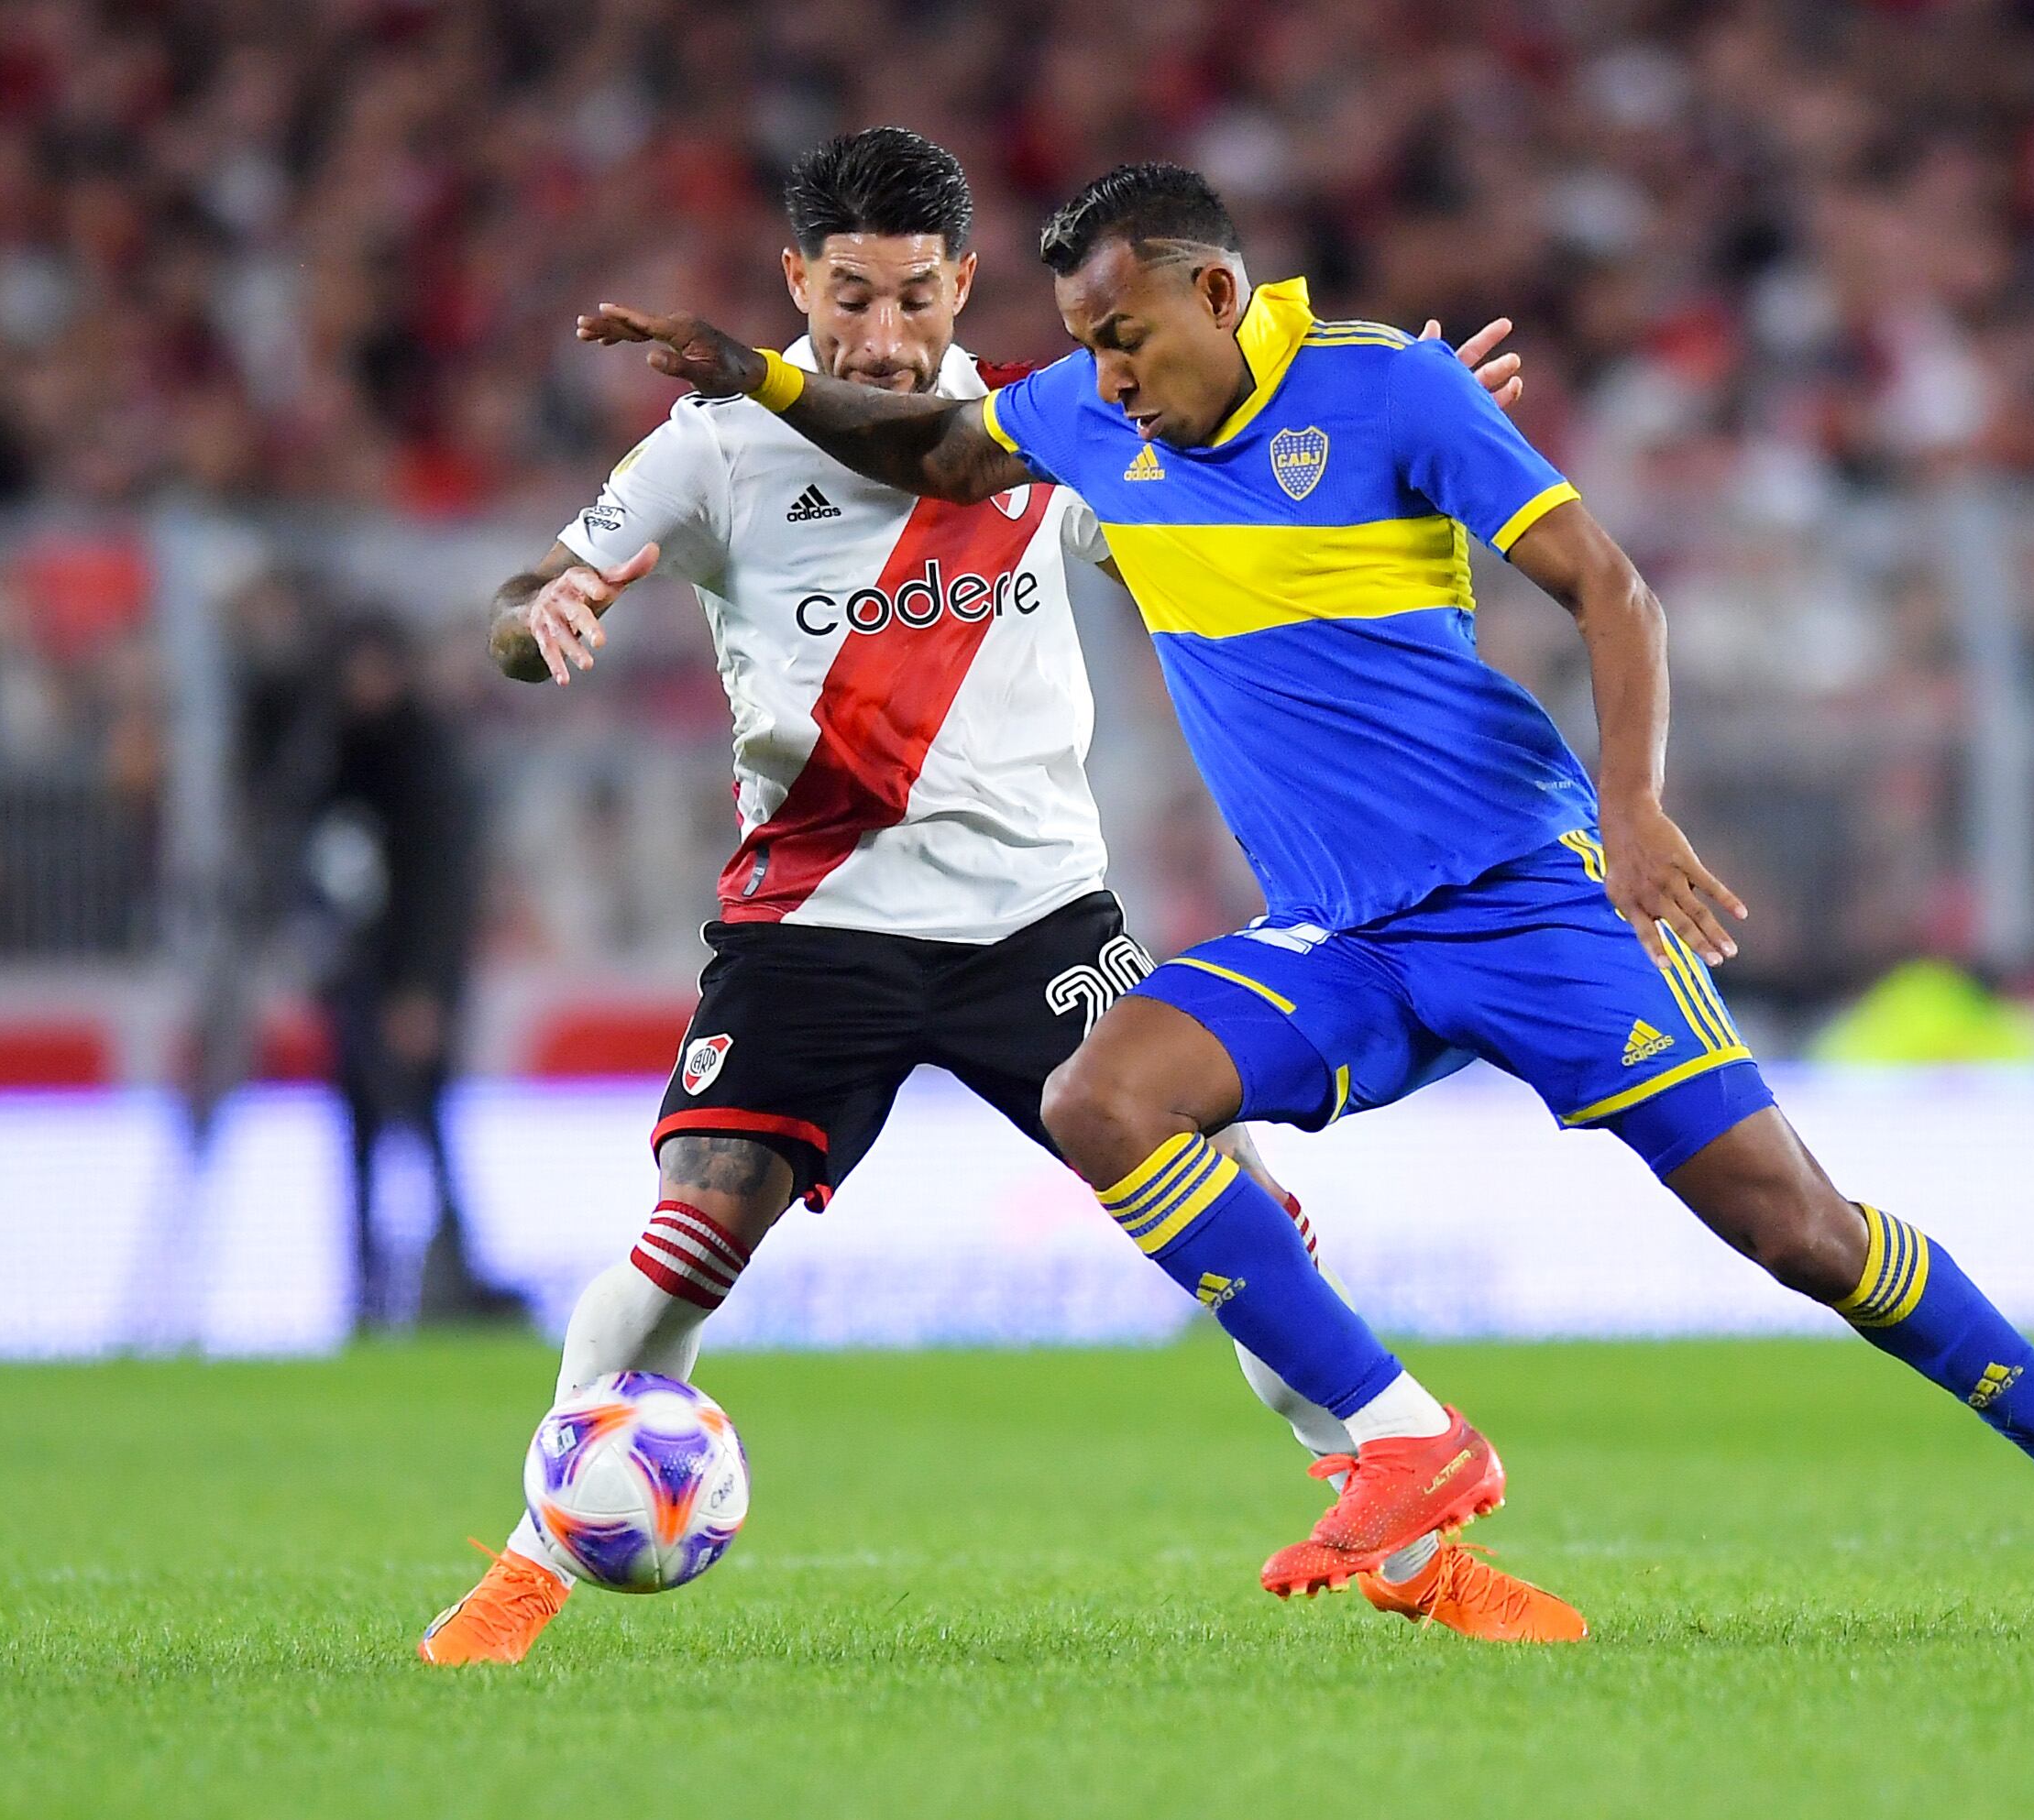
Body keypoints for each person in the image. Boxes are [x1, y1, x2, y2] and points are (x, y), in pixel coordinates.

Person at [587, 159, 2034, 1634]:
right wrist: (748, 373)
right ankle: (1401, 1436)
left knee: (1801, 1234)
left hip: (1518, 902)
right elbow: (938, 450)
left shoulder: (1388, 395)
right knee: (1103, 1093)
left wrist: (1628, 813)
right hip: (1340, 937)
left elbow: (1607, 587)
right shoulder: (1088, 419)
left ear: (1215, 291)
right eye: (1081, 345)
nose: (1098, 375)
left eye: (1122, 335)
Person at [419, 129, 1575, 1664]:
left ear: (961, 281)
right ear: (794, 284)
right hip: (812, 916)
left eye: (911, 297)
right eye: (846, 300)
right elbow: (520, 599)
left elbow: (1240, 499)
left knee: (1243, 1230)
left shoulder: (1059, 423)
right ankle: (528, 1567)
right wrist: (542, 612)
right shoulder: (713, 445)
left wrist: (1391, 433)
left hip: (1037, 921)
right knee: (692, 1231)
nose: (880, 337)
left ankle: (1415, 1546)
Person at [299, 612, 526, 1332]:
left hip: (407, 981)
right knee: (364, 1131)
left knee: (424, 1127)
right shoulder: (335, 752)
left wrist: (425, 990)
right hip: (355, 978)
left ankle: (450, 1275)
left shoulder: (424, 762)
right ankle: (370, 1286)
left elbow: (440, 890)